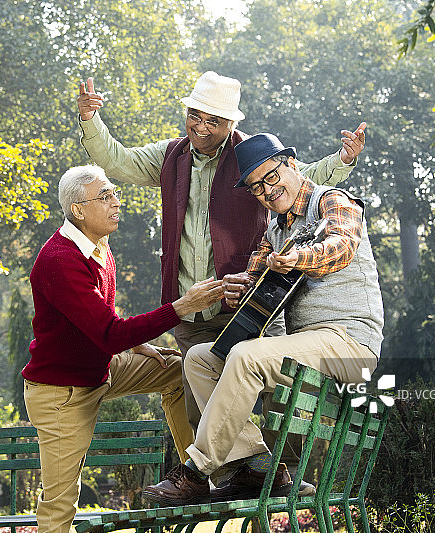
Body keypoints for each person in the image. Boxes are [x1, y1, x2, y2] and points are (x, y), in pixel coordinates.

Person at [77, 71, 367, 440]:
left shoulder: (249, 157)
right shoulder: (170, 155)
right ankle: (227, 473)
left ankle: (284, 471)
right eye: (194, 116)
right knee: (203, 406)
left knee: (276, 400)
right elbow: (118, 161)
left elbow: (300, 176)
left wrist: (342, 159)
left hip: (250, 304)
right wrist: (90, 118)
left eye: (212, 121)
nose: (200, 127)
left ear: (231, 124)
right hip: (193, 309)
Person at [141, 133, 384, 505]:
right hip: (305, 349)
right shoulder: (275, 231)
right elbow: (256, 283)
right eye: (256, 187)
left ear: (291, 164)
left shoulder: (332, 200)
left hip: (350, 344)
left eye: (271, 177)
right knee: (200, 359)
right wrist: (237, 290)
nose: (267, 191)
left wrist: (298, 259)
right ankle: (255, 466)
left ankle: (195, 471)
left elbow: (341, 245)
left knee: (246, 356)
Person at [22, 165, 224, 533]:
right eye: (105, 196)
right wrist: (181, 307)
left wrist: (138, 342)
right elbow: (110, 333)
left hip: (102, 368)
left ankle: (194, 475)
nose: (116, 202)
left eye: (115, 193)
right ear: (78, 210)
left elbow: (99, 317)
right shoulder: (60, 260)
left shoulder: (98, 245)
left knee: (179, 368)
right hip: (62, 393)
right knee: (60, 503)